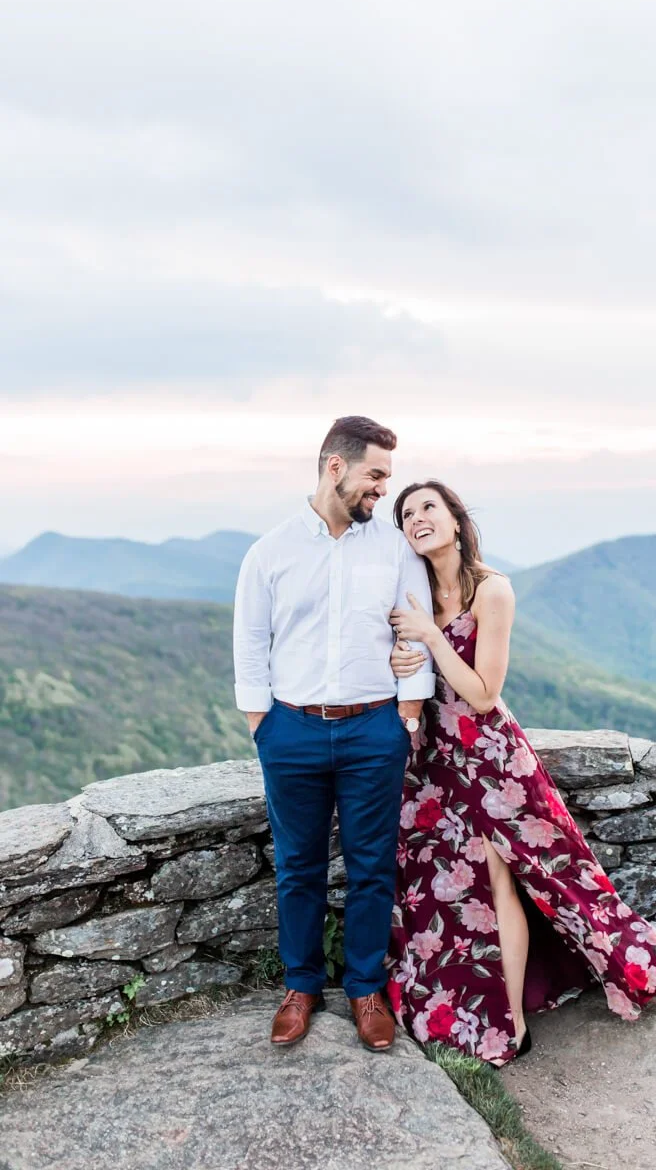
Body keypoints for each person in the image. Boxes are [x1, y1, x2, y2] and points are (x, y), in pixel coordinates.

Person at [385, 480, 656, 1066]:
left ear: (455, 518)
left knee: (512, 880)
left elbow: (482, 693)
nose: (417, 518)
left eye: (429, 507)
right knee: (448, 885)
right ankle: (464, 1005)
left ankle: (512, 1025)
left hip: (491, 758)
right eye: (406, 514)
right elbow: (406, 669)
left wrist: (428, 637)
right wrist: (405, 655)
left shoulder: (492, 589)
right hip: (432, 762)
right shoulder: (413, 590)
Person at [233, 417, 435, 1052]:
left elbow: (417, 629)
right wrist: (261, 722)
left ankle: (366, 989)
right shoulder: (269, 553)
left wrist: (408, 709)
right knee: (298, 866)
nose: (383, 490)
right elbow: (250, 642)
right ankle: (301, 986)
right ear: (334, 467)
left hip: (374, 728)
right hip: (290, 729)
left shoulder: (394, 550)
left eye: (387, 478)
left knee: (373, 864)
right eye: (376, 475)